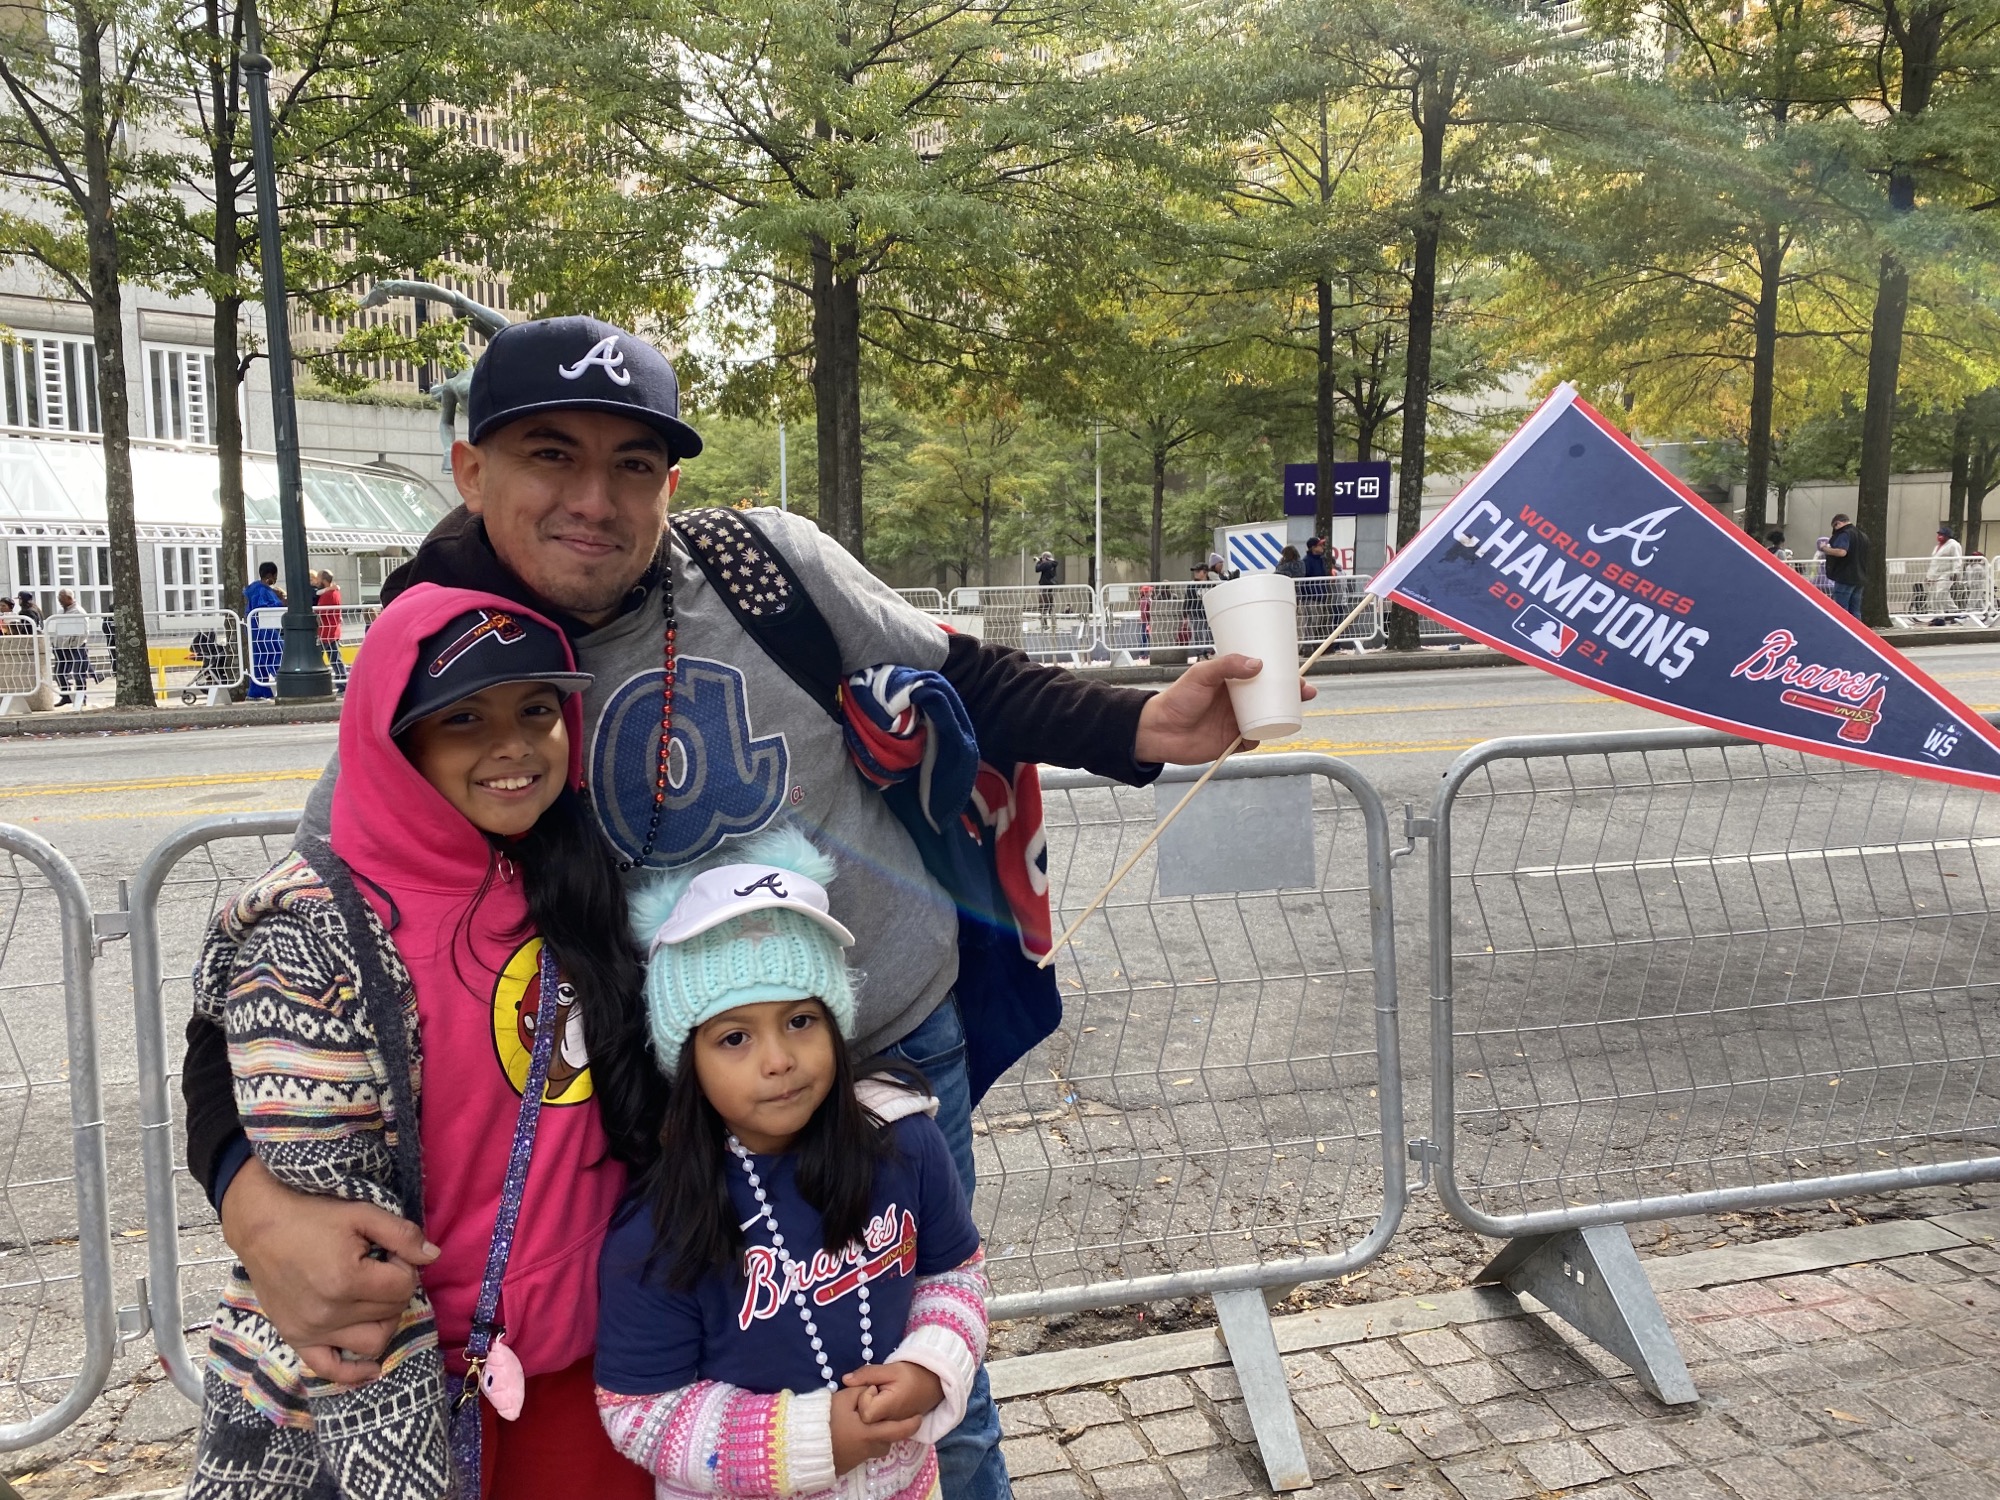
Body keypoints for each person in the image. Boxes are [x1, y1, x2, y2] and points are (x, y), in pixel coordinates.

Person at [177, 315, 1298, 1500]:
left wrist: (1138, 726)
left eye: (634, 465)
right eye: (550, 454)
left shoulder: (759, 566)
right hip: (658, 1106)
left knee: (924, 1389)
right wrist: (253, 1202)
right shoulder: (444, 656)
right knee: (713, 1397)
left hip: (881, 1045)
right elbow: (290, 954)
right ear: (471, 469)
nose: (593, 500)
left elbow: (956, 669)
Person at [188, 584, 659, 1500]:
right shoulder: (314, 938)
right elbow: (335, 1236)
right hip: (404, 1396)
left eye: (536, 709)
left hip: (598, 1378)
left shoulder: (584, 886)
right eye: (463, 719)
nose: (514, 744)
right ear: (394, 743)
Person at [596, 827, 987, 1500]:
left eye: (800, 1021)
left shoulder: (906, 1146)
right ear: (686, 1061)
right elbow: (640, 1413)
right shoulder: (660, 1227)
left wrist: (931, 1367)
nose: (777, 1059)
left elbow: (954, 1276)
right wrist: (812, 1440)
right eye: (735, 1037)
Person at [243, 562, 285, 699]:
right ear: (270, 575)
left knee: (259, 660)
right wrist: (282, 603)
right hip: (265, 630)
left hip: (256, 631)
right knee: (275, 654)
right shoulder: (262, 590)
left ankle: (258, 692)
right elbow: (264, 608)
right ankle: (285, 684)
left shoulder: (255, 589)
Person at [44, 589, 91, 705]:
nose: (59, 601)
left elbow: (84, 632)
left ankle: (81, 698)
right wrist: (55, 643)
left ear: (69, 598)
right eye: (59, 598)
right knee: (59, 673)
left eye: (61, 598)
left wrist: (73, 643)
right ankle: (66, 696)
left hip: (76, 647)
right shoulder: (61, 612)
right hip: (60, 647)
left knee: (78, 673)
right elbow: (58, 630)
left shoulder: (79, 612)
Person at [1819, 513, 1867, 620]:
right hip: (1859, 577)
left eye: (1835, 527)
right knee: (1855, 610)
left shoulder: (1844, 534)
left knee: (1841, 610)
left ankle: (1841, 634)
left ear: (1838, 523)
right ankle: (1856, 633)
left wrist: (1824, 548)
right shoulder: (1862, 535)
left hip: (1845, 577)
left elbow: (1841, 552)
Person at [313, 570, 349, 688]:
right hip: (332, 630)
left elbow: (320, 610)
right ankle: (342, 683)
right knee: (335, 658)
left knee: (316, 658)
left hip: (326, 632)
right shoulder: (334, 592)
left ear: (324, 580)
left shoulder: (328, 594)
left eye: (318, 578)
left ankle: (324, 683)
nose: (316, 581)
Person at [1924, 524, 1965, 622]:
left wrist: (1956, 572)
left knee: (1940, 593)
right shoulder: (1937, 547)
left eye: (1942, 534)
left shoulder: (1953, 545)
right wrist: (1929, 576)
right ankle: (1954, 612)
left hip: (1947, 573)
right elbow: (1934, 562)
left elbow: (1957, 559)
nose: (1940, 536)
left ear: (1947, 536)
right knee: (1937, 595)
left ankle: (1940, 616)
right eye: (1939, 534)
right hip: (1935, 575)